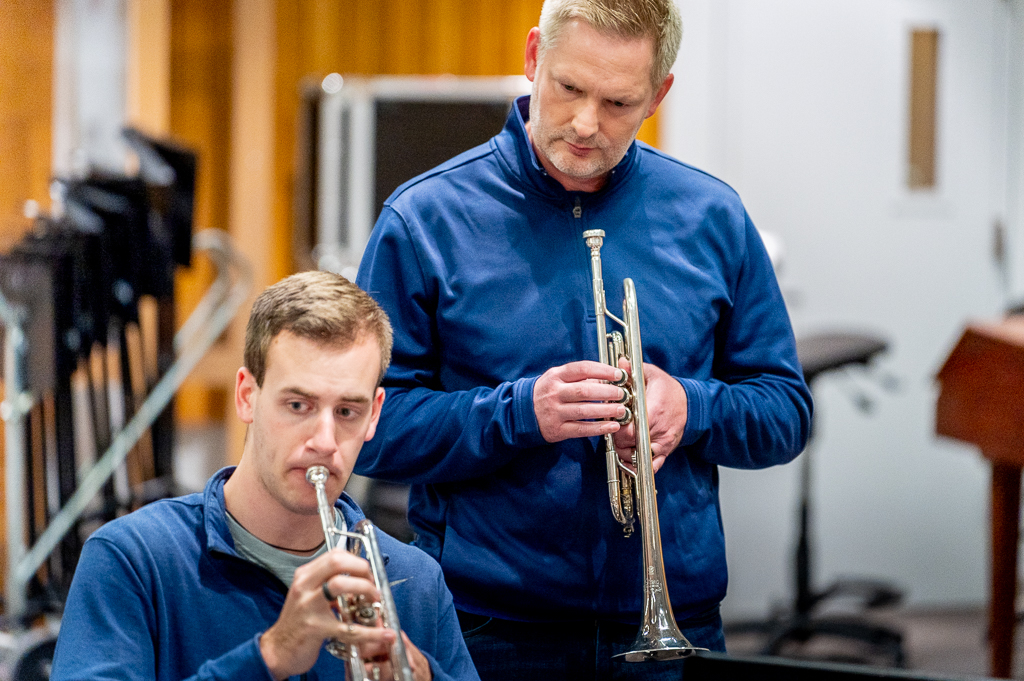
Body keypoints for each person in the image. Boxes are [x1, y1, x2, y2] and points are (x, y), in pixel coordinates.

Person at [355, 0, 813, 678]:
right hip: (488, 626)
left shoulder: (712, 215)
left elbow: (785, 411)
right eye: (569, 87)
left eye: (619, 101)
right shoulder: (425, 218)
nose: (585, 124)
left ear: (659, 95)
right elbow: (372, 427)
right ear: (534, 56)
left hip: (674, 619)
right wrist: (519, 413)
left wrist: (690, 407)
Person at [50, 271, 480, 681]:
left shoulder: (417, 582)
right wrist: (268, 656)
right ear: (246, 396)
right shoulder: (133, 559)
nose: (325, 441)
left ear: (375, 415)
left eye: (347, 412)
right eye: (298, 406)